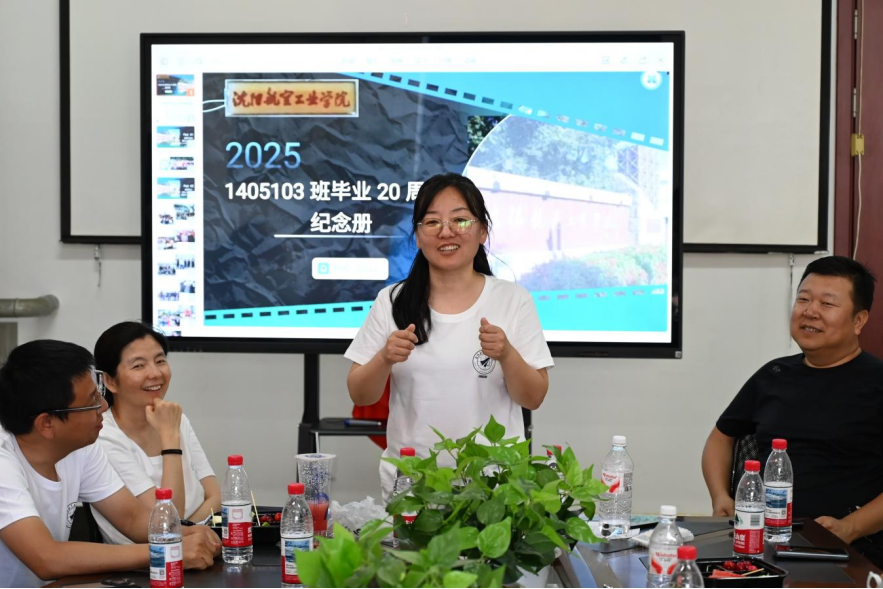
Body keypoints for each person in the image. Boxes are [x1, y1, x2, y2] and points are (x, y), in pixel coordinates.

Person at [345, 172, 554, 500]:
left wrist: (507, 354)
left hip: (494, 487)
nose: (446, 231)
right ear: (417, 236)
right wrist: (384, 358)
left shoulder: (512, 299)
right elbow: (360, 395)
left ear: (482, 230)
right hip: (413, 484)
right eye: (432, 222)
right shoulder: (392, 300)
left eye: (460, 220)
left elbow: (534, 398)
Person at [701, 256, 883, 565]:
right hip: (760, 543)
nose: (810, 311)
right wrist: (720, 496)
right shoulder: (773, 375)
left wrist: (850, 527)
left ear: (859, 321)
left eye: (827, 303)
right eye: (803, 299)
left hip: (850, 551)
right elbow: (721, 437)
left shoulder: (877, 382)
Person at [0, 340, 219, 587]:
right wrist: (165, 551)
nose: (103, 406)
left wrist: (190, 534)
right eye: (92, 401)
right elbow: (46, 558)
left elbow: (131, 518)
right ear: (47, 423)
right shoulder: (3, 461)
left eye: (99, 394)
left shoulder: (82, 445)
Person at [91, 322, 220, 544]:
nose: (155, 373)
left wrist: (188, 533)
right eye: (138, 366)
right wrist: (170, 438)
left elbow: (215, 496)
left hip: (196, 547)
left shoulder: (176, 419)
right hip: (144, 560)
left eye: (160, 361)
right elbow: (166, 522)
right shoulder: (104, 436)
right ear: (110, 381)